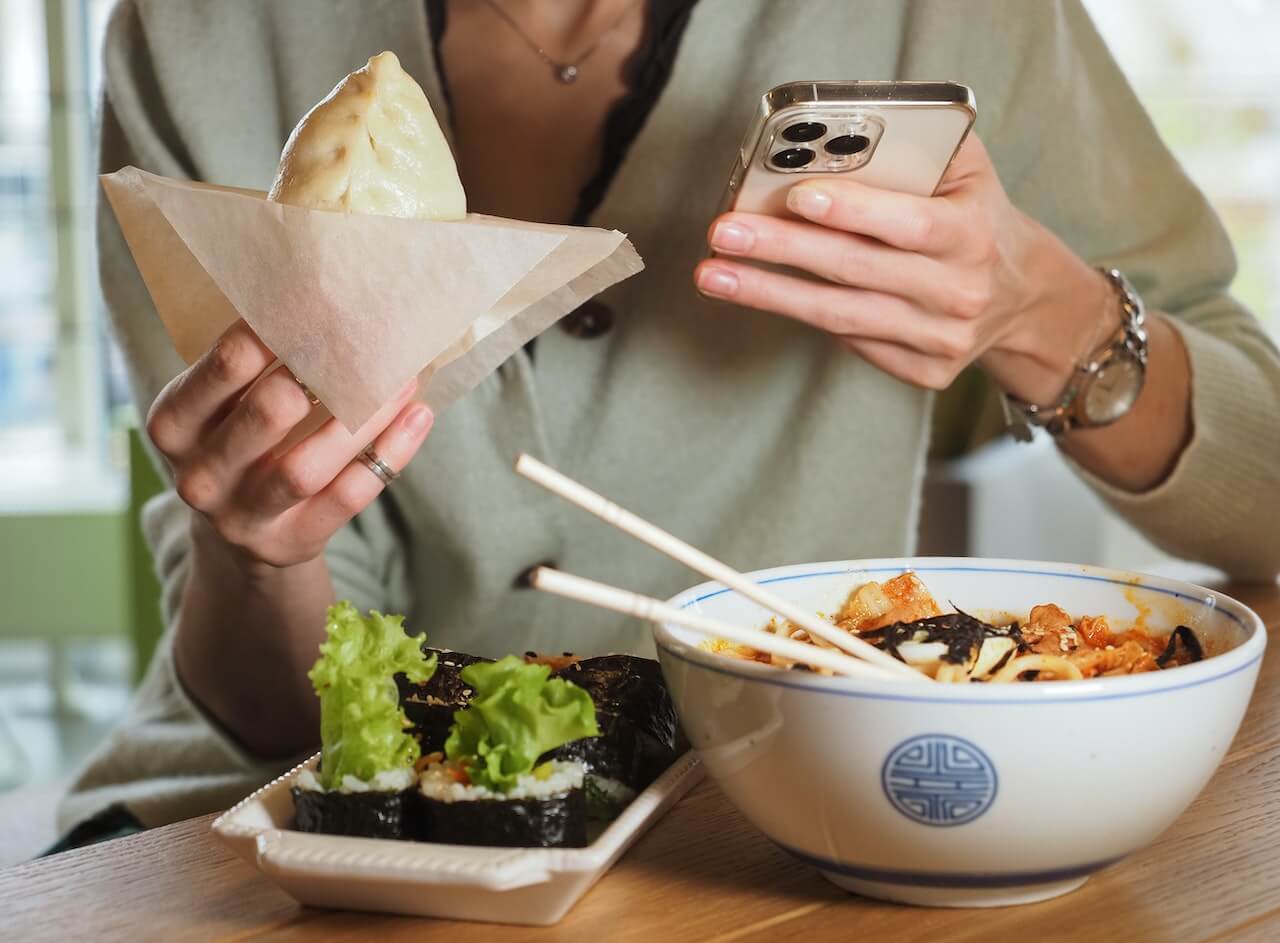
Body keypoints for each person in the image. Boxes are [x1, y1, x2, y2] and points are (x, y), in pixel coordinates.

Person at [60, 0, 1280, 835]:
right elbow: (276, 717)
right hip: (276, 828)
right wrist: (251, 545)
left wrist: (1041, 316)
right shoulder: (203, 32)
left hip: (785, 819)